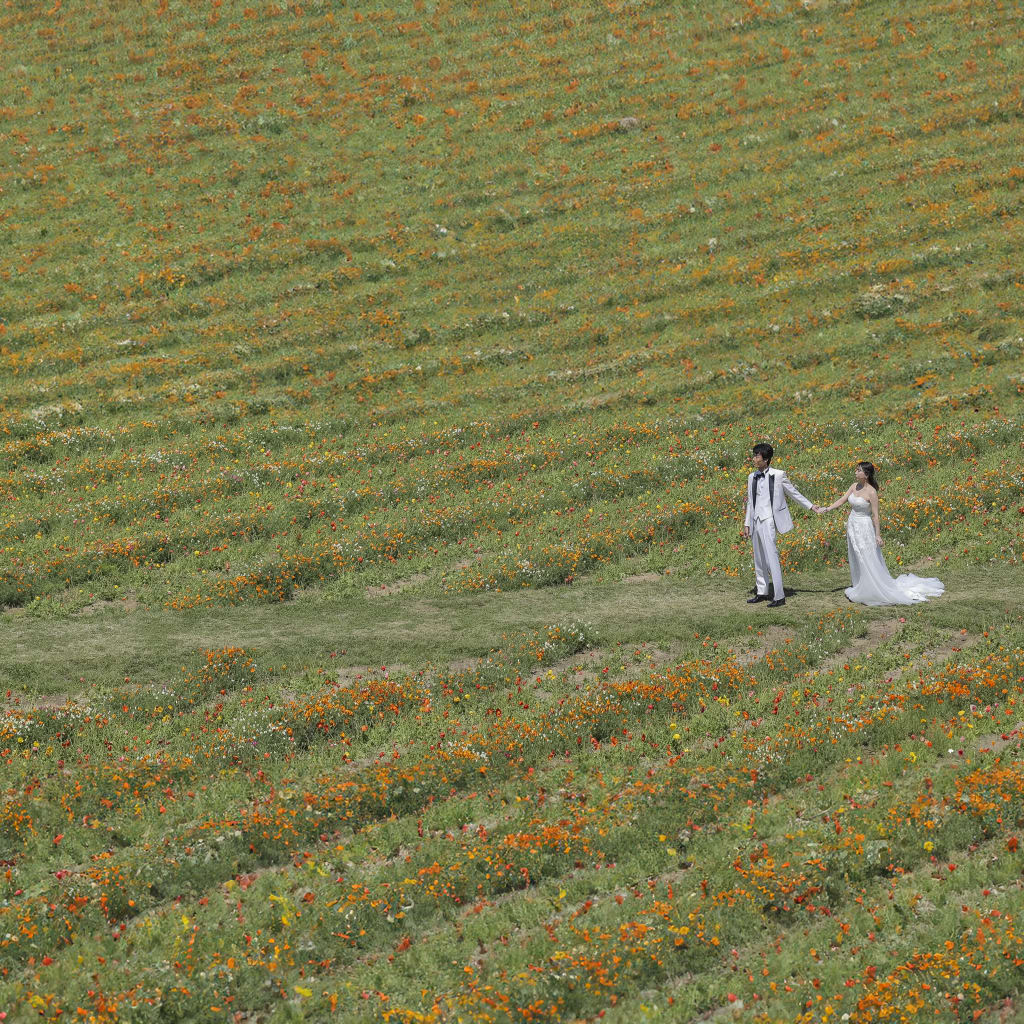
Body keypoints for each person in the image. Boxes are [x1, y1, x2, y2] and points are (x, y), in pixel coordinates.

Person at [814, 461, 944, 606]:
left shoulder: (871, 492)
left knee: (866, 556)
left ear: (866, 474)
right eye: (856, 470)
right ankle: (859, 584)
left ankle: (872, 588)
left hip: (864, 527)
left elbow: (875, 515)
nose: (855, 473)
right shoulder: (853, 486)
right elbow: (842, 500)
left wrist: (877, 535)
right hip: (852, 525)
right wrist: (826, 509)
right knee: (856, 555)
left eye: (858, 471)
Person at [742, 442, 816, 608]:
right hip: (756, 520)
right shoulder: (751, 476)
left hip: (769, 520)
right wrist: (747, 523)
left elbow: (793, 493)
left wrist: (811, 506)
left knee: (772, 556)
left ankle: (779, 595)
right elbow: (750, 503)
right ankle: (762, 592)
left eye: (757, 456)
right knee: (758, 557)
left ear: (766, 459)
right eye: (754, 455)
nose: (754, 458)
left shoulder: (779, 475)